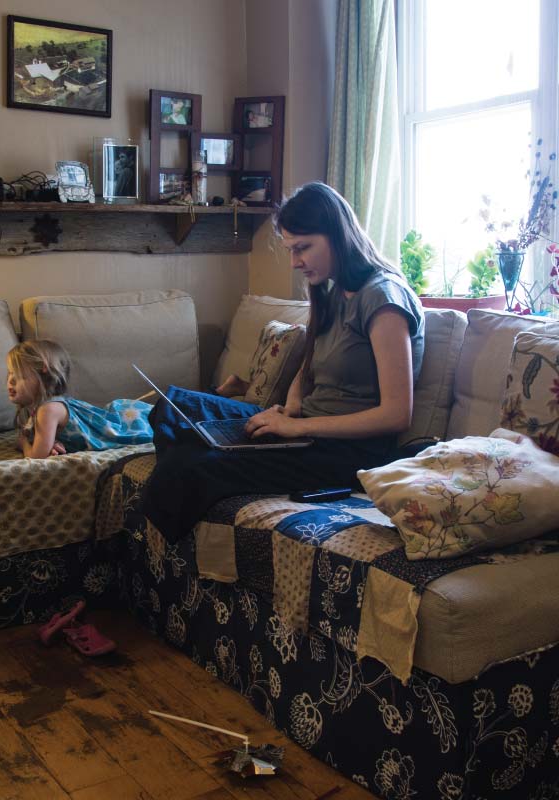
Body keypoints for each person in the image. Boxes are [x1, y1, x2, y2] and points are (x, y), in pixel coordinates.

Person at [141, 181, 425, 543]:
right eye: (291, 249)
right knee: (172, 408)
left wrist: (300, 428)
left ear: (337, 234)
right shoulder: (335, 291)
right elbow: (308, 367)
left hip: (349, 452)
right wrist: (290, 409)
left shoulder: (383, 299)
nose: (295, 262)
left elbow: (397, 414)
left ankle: (154, 558)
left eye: (303, 248)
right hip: (304, 432)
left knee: (189, 465)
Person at [6, 339, 153, 459]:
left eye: (19, 375)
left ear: (43, 374)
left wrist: (23, 443)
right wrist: (54, 443)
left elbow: (37, 458)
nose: (10, 381)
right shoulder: (39, 409)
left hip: (128, 425)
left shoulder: (48, 410)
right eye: (10, 373)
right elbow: (43, 443)